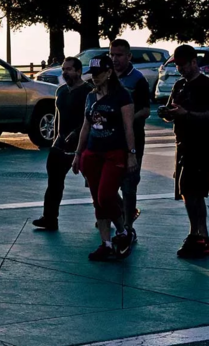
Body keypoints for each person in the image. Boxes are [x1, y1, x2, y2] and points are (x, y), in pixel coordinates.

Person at [72, 54, 137, 262]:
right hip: (93, 153)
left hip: (113, 152)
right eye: (93, 74)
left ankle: (123, 230)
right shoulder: (90, 96)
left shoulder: (122, 96)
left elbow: (129, 128)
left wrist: (131, 154)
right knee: (97, 201)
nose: (95, 78)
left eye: (99, 74)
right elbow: (86, 126)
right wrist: (78, 154)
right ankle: (106, 243)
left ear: (109, 73)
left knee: (105, 196)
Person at [162, 44, 209, 259]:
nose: (180, 69)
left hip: (202, 144)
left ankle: (202, 235)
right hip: (183, 143)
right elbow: (172, 109)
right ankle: (196, 233)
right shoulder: (179, 85)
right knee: (187, 191)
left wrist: (188, 114)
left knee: (195, 190)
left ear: (194, 63)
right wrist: (168, 113)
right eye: (177, 65)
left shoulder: (207, 86)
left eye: (183, 65)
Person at [33, 57, 90, 230]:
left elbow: (91, 118)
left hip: (82, 144)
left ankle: (110, 215)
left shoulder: (89, 92)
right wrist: (55, 138)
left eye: (69, 69)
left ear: (79, 71)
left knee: (94, 182)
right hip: (60, 143)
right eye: (64, 69)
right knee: (54, 182)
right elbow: (58, 115)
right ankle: (50, 218)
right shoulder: (61, 91)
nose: (65, 72)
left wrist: (77, 133)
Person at [110, 38, 151, 252]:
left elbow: (146, 110)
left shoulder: (138, 80)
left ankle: (128, 226)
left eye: (119, 55)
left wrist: (128, 118)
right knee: (105, 184)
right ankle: (118, 214)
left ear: (128, 56)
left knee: (128, 183)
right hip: (109, 139)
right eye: (112, 55)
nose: (115, 59)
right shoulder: (107, 77)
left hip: (132, 139)